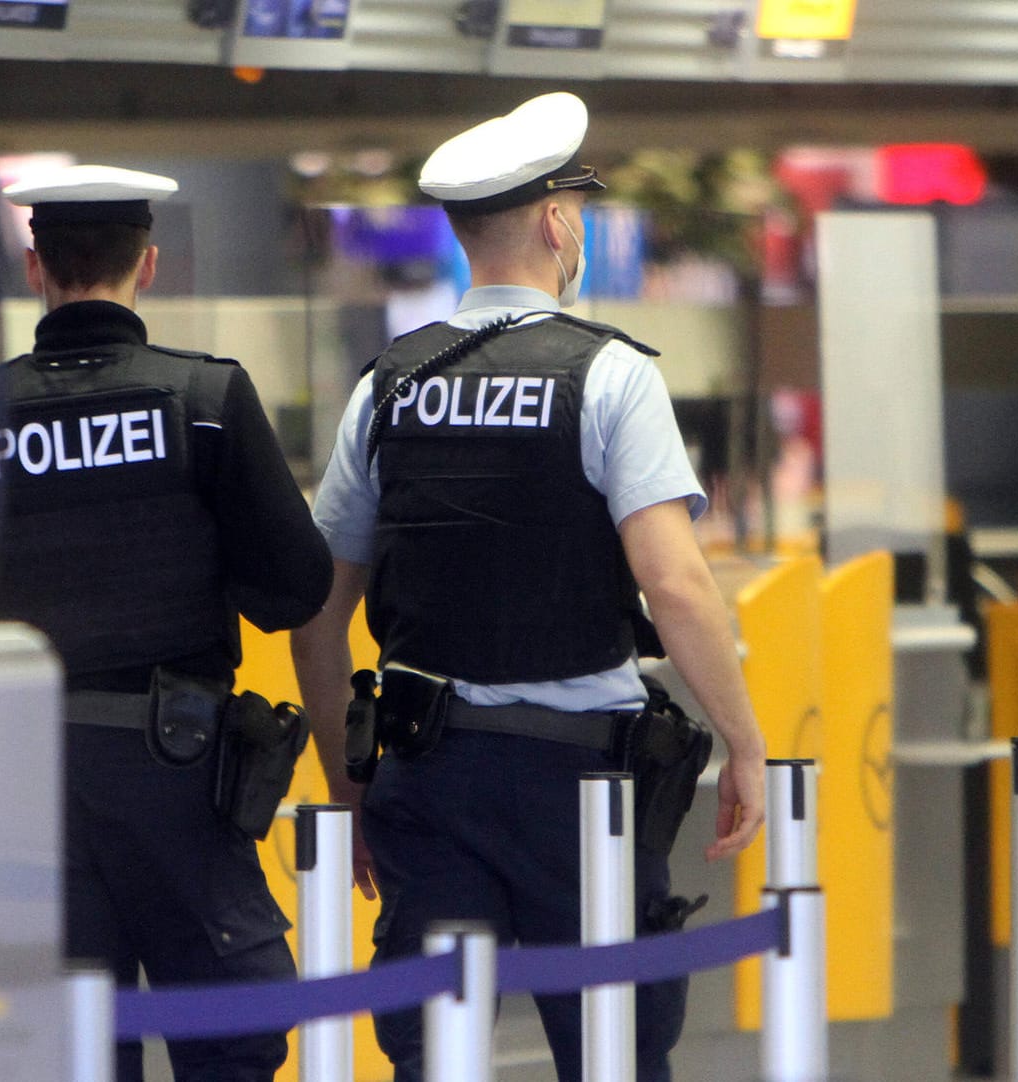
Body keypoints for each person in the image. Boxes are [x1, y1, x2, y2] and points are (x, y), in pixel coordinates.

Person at [288, 92, 768, 1082]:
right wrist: (745, 740)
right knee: (612, 1055)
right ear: (557, 221)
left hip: (428, 776)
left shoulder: (389, 384)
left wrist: (349, 787)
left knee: (438, 1056)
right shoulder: (610, 376)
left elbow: (317, 613)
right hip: (581, 792)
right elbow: (674, 585)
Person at [0, 165, 332, 1082]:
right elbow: (296, 588)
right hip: (181, 775)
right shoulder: (204, 402)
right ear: (150, 264)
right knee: (231, 1038)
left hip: (28, 790)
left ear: (34, 266)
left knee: (67, 1052)